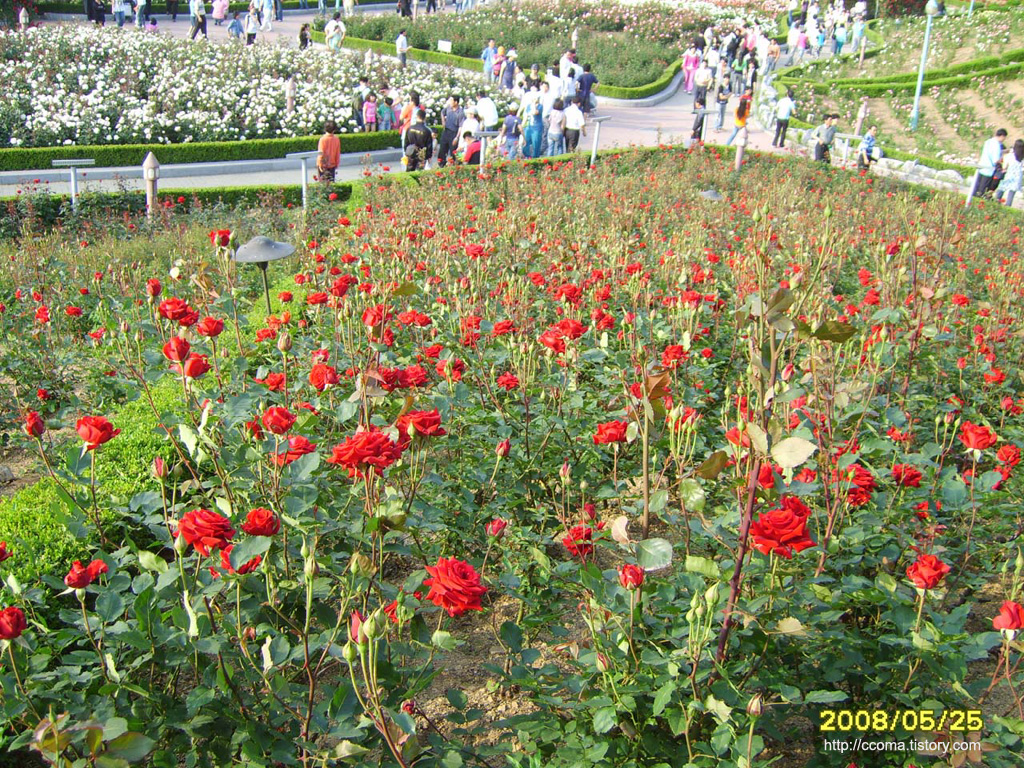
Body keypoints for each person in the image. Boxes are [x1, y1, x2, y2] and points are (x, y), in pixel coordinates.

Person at [974, 128, 1008, 199]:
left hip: (982, 166)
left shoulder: (988, 141)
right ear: (1002, 136)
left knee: (977, 187)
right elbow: (996, 160)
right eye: (1004, 138)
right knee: (983, 190)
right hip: (989, 169)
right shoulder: (997, 145)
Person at [437, 95, 465, 167]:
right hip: (446, 131)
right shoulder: (448, 108)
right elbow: (442, 112)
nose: (450, 102)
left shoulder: (460, 112)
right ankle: (441, 164)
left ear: (456, 102)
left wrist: (457, 137)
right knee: (442, 149)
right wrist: (443, 121)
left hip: (454, 133)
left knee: (454, 151)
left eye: (451, 101)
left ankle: (457, 164)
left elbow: (460, 126)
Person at [996, 139, 1024, 207]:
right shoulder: (1022, 157)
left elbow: (1004, 166)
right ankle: (1008, 206)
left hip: (1009, 176)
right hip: (1017, 178)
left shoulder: (1010, 156)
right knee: (1011, 194)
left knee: (1001, 189)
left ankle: (996, 203)